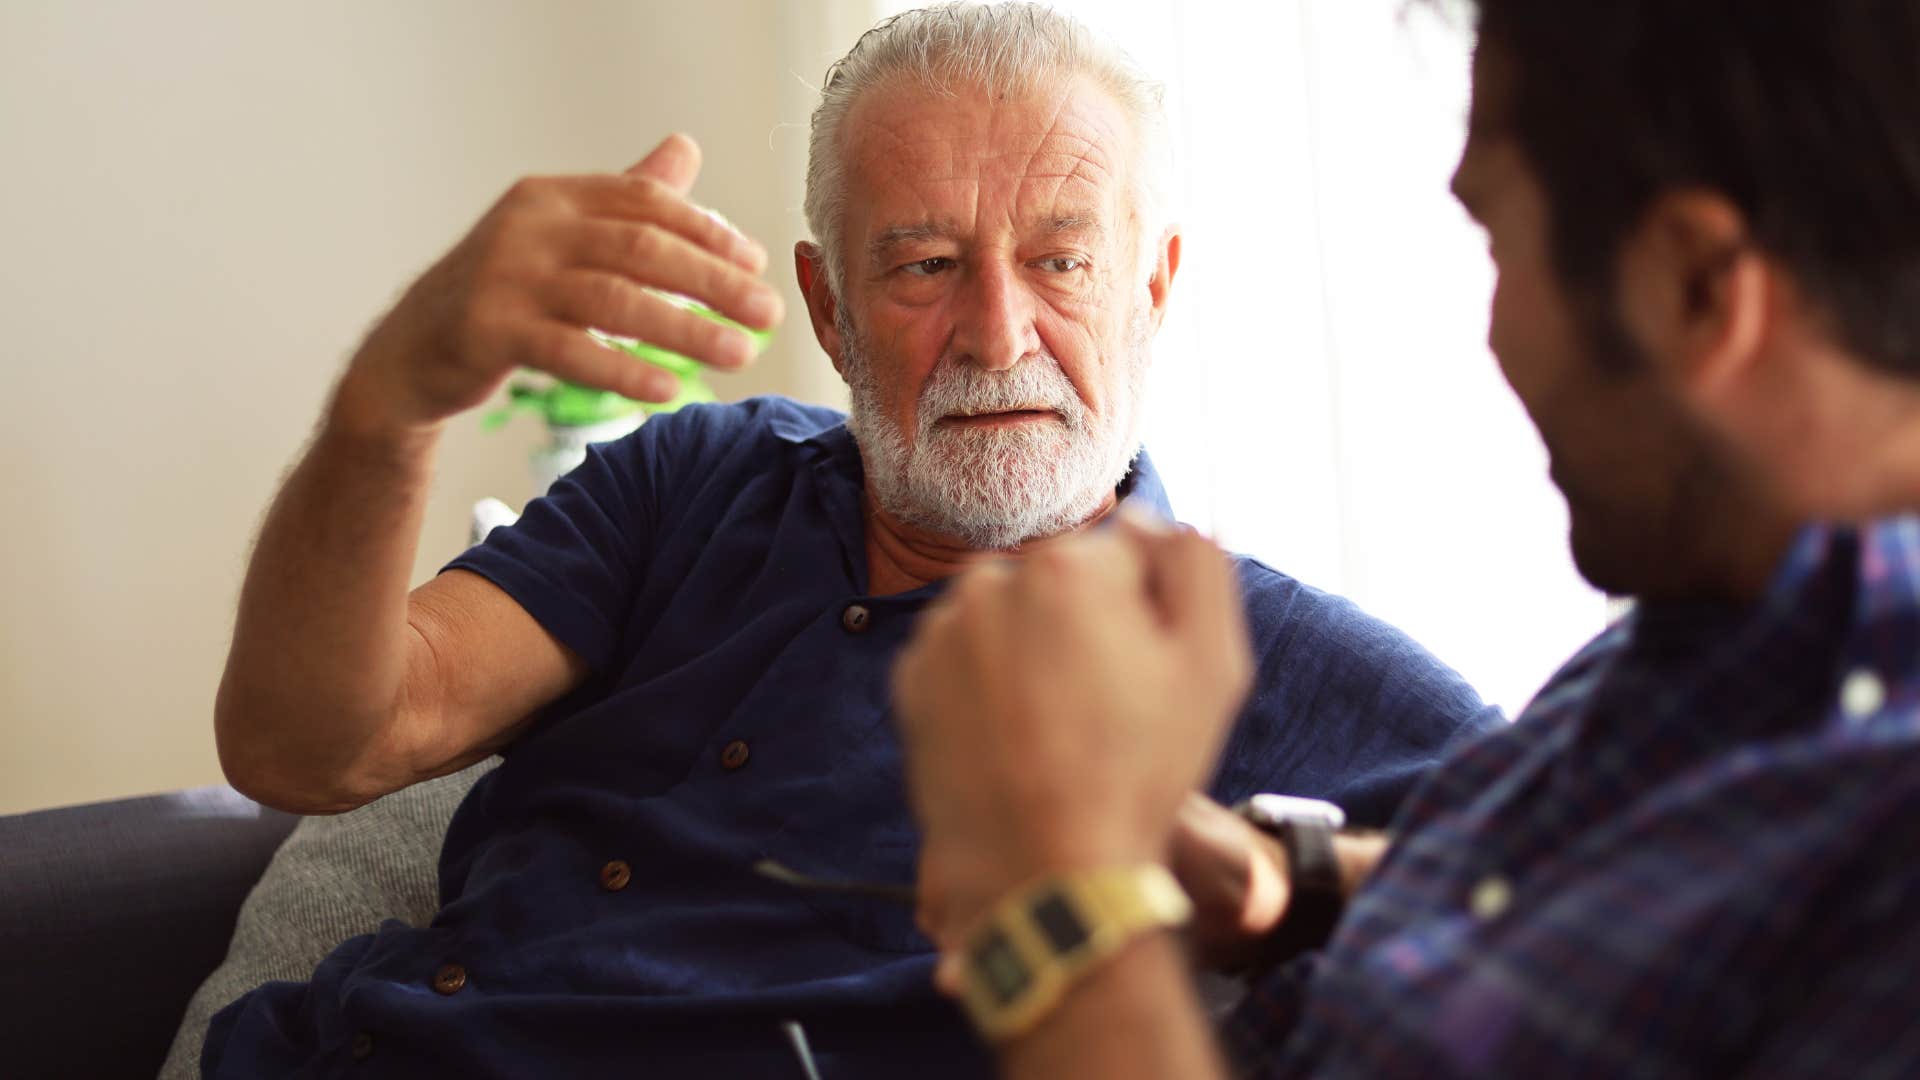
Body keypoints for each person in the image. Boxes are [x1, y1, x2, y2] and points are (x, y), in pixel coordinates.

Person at [203, 4, 1497, 1077]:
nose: (998, 335)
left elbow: (1558, 917)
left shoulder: (1278, 673)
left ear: (1151, 286)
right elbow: (311, 747)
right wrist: (388, 410)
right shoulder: (693, 480)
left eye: (1061, 262)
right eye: (926, 266)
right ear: (829, 307)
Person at [893, 1, 1920, 1076]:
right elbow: (1668, 896)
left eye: (1498, 245)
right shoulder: (1727, 616)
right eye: (924, 265)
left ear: (1696, 289)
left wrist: (1063, 898)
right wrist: (1290, 880)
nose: (1494, 332)